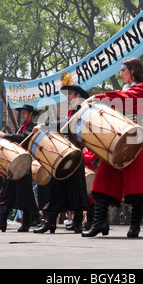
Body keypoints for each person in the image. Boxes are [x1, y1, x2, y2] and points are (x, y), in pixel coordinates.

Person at [82, 57, 143, 238]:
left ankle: (135, 226)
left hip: (134, 138)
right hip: (116, 138)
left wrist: (100, 97)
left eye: (123, 69)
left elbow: (124, 98)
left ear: (132, 70)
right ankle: (100, 222)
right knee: (104, 179)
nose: (120, 73)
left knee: (135, 185)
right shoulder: (125, 90)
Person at [33, 75, 89, 234]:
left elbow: (66, 125)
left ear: (77, 96)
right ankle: (51, 221)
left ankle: (78, 222)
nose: (67, 97)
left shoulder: (82, 110)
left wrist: (46, 126)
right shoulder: (69, 111)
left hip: (75, 154)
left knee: (76, 190)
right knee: (57, 188)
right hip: (64, 154)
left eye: (69, 94)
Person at [0, 105, 39, 232]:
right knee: (6, 194)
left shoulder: (32, 128)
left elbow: (23, 138)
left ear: (30, 114)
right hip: (14, 165)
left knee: (25, 196)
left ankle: (26, 224)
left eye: (24, 113)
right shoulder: (19, 128)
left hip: (24, 166)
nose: (22, 115)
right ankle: (1, 223)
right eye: (21, 113)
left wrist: (5, 135)